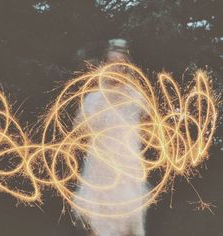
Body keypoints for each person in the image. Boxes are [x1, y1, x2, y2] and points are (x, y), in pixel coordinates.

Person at [72, 39, 149, 236]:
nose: (116, 68)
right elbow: (79, 129)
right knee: (100, 226)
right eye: (112, 63)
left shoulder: (136, 96)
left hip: (128, 170)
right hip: (101, 173)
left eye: (120, 63)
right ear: (105, 66)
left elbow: (152, 125)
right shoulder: (94, 98)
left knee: (128, 226)